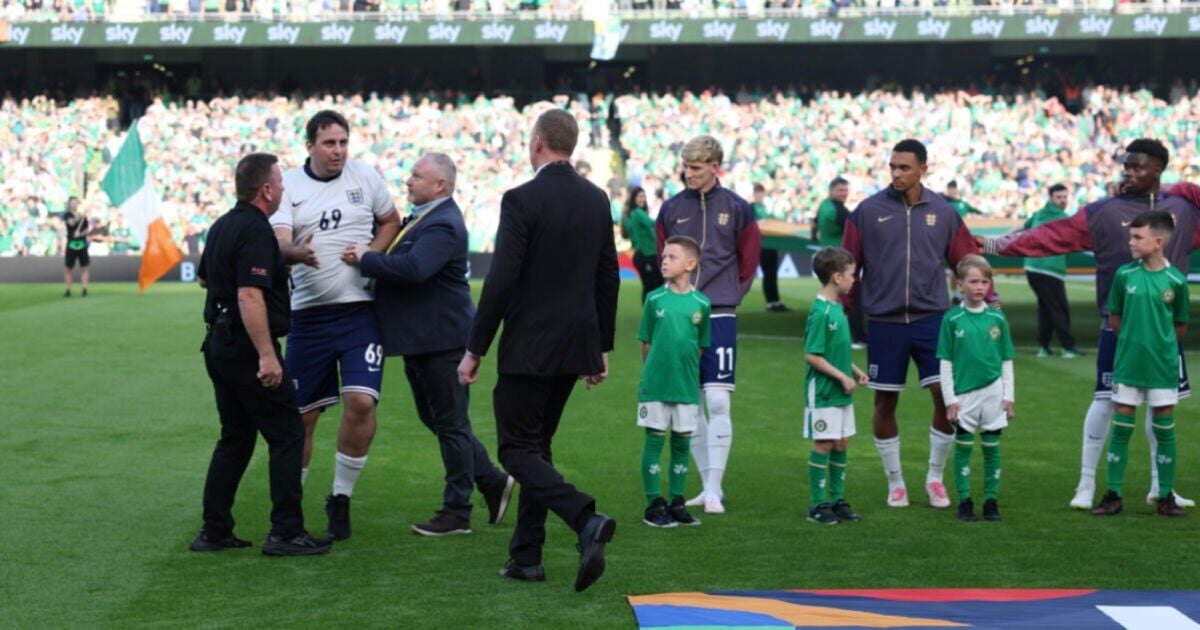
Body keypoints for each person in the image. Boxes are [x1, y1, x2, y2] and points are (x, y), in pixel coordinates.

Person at [982, 139, 1198, 510]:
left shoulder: (1182, 208)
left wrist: (1186, 188)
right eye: (1126, 166)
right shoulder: (1103, 211)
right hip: (1119, 328)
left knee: (1163, 409)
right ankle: (1086, 485)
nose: (1129, 172)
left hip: (1163, 333)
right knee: (1105, 403)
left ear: (1159, 169)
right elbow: (1053, 236)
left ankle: (1161, 488)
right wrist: (999, 246)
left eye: (1138, 166)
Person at [457, 109, 620, 592]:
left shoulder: (521, 199)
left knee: (515, 448)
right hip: (576, 344)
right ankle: (526, 556)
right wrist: (600, 347)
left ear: (537, 144)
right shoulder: (596, 199)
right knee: (537, 446)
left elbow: (502, 279)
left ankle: (583, 517)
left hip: (531, 344)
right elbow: (607, 275)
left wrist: (475, 348)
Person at [342, 153, 515, 537]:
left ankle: (457, 511)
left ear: (440, 185)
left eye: (417, 176)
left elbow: (415, 269)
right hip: (424, 340)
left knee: (451, 425)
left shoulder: (443, 223)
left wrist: (367, 258)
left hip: (443, 342)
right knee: (439, 421)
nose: (408, 181)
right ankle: (489, 479)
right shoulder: (425, 218)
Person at [270, 110, 402, 540]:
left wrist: (371, 251)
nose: (338, 151)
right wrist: (295, 254)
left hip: (359, 312)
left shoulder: (365, 177)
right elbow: (279, 241)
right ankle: (291, 510)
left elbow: (391, 220)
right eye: (329, 143)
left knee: (362, 402)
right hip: (307, 317)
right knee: (303, 418)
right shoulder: (290, 183)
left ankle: (340, 497)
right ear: (310, 146)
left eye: (343, 142)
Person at [192, 152, 331, 556]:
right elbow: (249, 293)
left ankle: (214, 529)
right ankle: (286, 531)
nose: (284, 189)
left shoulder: (222, 225)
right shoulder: (256, 230)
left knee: (235, 436)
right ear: (266, 190)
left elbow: (205, 278)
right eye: (280, 184)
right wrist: (267, 356)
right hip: (247, 348)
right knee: (288, 432)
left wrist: (286, 259)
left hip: (218, 344)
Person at [841, 139, 985, 509]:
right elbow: (847, 268)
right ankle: (896, 482)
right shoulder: (867, 211)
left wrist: (988, 300)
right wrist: (841, 315)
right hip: (886, 322)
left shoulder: (944, 211)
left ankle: (935, 478)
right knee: (885, 401)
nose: (897, 174)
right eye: (892, 167)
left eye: (904, 167)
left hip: (932, 320)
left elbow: (966, 261)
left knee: (946, 398)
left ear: (923, 168)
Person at [656, 135, 761, 515]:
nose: (689, 174)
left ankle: (714, 488)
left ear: (715, 167)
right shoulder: (670, 209)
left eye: (697, 168)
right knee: (688, 404)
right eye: (686, 167)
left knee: (717, 399)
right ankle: (704, 485)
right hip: (680, 315)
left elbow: (749, 259)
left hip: (718, 313)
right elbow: (662, 257)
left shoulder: (738, 208)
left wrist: (732, 293)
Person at [1091, 210, 1189, 518]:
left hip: (1161, 367)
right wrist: (1135, 343)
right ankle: (1114, 495)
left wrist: (1158, 346)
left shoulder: (1176, 281)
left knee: (1164, 429)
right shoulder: (1124, 275)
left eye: (1137, 237)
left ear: (1158, 242)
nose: (1130, 242)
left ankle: (1165, 496)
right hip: (1128, 365)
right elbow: (1116, 319)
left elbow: (1180, 326)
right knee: (1121, 427)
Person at [636, 235, 710, 529]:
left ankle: (676, 501)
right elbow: (646, 344)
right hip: (656, 385)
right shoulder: (654, 299)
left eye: (672, 257)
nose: (664, 261)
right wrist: (654, 373)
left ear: (690, 264)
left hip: (686, 386)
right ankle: (654, 504)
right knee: (654, 441)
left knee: (681, 443)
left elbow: (699, 346)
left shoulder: (701, 304)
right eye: (663, 257)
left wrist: (684, 372)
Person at [937, 255, 1014, 523]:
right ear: (959, 284)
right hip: (964, 395)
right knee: (964, 448)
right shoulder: (952, 319)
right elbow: (945, 362)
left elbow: (1006, 360)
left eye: (984, 281)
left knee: (992, 448)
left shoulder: (997, 318)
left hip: (994, 393)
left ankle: (991, 501)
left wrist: (1009, 396)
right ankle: (965, 501)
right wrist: (950, 399)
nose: (979, 286)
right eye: (973, 281)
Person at [803, 247, 868, 525]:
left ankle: (838, 499)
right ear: (837, 277)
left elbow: (836, 350)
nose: (855, 279)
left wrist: (853, 370)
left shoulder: (838, 308)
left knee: (841, 441)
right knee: (825, 442)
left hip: (841, 390)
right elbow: (812, 355)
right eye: (852, 274)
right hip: (824, 391)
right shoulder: (820, 312)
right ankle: (818, 504)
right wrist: (842, 377)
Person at [1019, 184, 1080, 358]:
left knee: (1046, 307)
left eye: (1064, 197)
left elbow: (1023, 226)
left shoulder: (1040, 214)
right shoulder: (1063, 218)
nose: (1062, 200)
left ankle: (1043, 347)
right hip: (1049, 269)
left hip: (1033, 267)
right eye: (1059, 197)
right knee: (1058, 308)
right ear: (1051, 198)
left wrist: (1001, 238)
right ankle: (1068, 347)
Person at [812, 177, 865, 347]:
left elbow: (814, 224)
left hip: (826, 257)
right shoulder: (838, 210)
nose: (844, 193)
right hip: (839, 260)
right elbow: (856, 229)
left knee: (832, 297)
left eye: (845, 190)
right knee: (852, 296)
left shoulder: (824, 205)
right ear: (831, 190)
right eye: (840, 190)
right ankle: (856, 337)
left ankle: (831, 333)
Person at [621, 186, 663, 303]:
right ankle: (652, 314)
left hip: (643, 254)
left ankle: (650, 313)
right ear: (633, 198)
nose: (642, 199)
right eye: (639, 196)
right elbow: (651, 223)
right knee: (654, 286)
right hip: (647, 255)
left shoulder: (633, 214)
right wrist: (666, 218)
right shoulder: (638, 213)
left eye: (644, 196)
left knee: (650, 286)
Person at [754, 183, 788, 313]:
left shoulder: (765, 208)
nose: (760, 195)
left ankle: (775, 301)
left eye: (761, 192)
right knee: (768, 273)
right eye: (758, 192)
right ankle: (770, 302)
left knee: (772, 273)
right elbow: (754, 224)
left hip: (771, 244)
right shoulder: (753, 207)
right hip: (763, 244)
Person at [61, 197, 91, 297]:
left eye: (75, 202)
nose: (74, 204)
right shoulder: (67, 215)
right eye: (72, 202)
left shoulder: (83, 217)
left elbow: (87, 229)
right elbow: (71, 222)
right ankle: (68, 289)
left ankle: (85, 289)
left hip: (82, 243)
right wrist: (80, 216)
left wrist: (81, 233)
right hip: (71, 243)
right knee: (69, 268)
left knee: (85, 267)